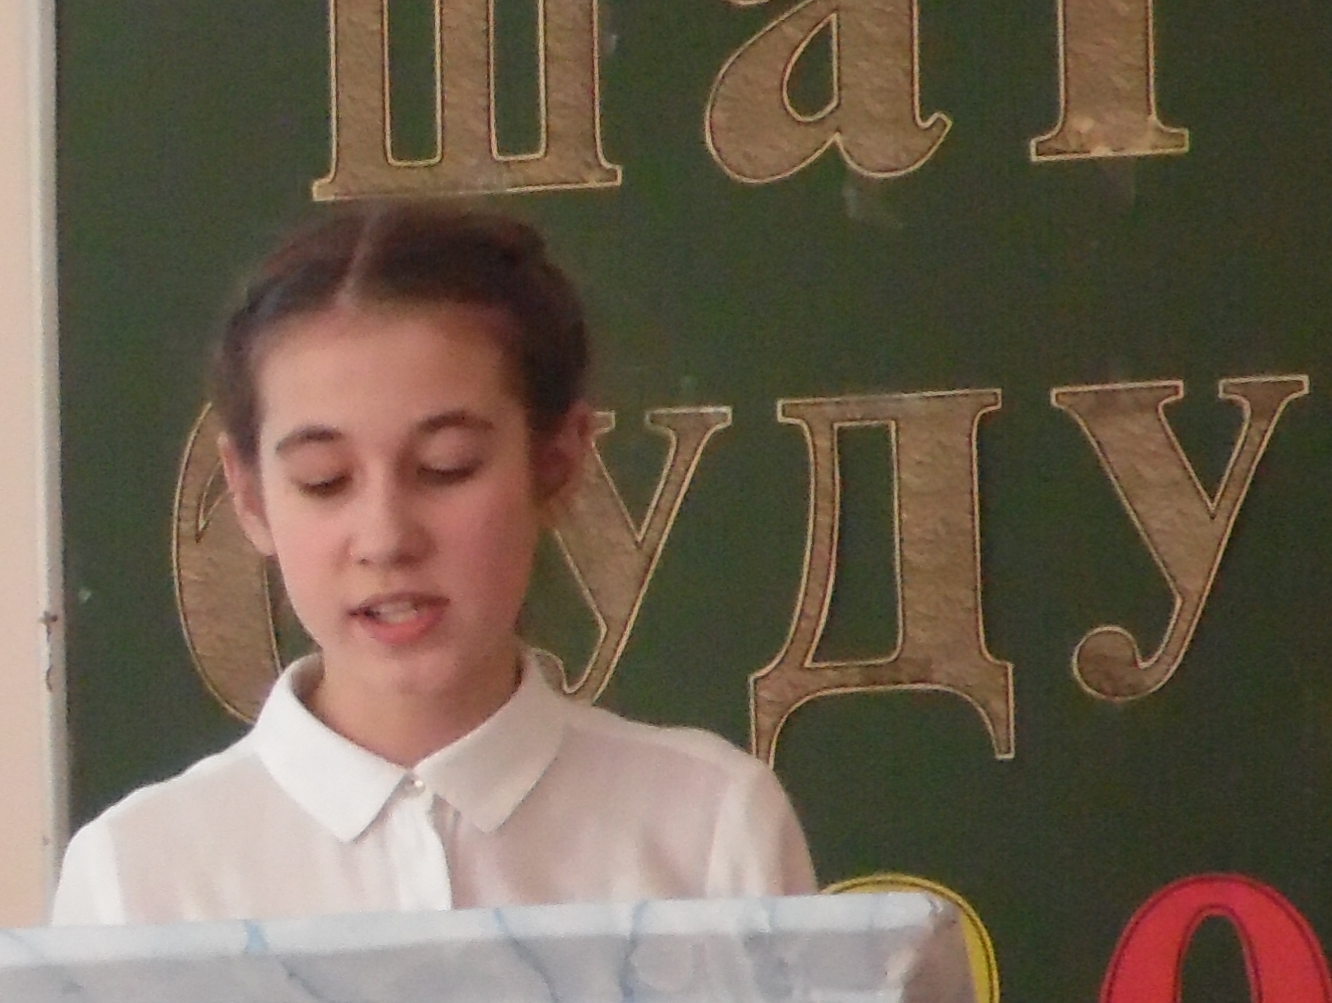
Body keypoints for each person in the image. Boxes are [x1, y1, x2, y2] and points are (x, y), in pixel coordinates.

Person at [50, 199, 815, 926]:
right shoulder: (140, 878)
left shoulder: (710, 829)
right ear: (249, 496)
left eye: (447, 467)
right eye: (324, 480)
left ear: (556, 462)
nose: (385, 538)